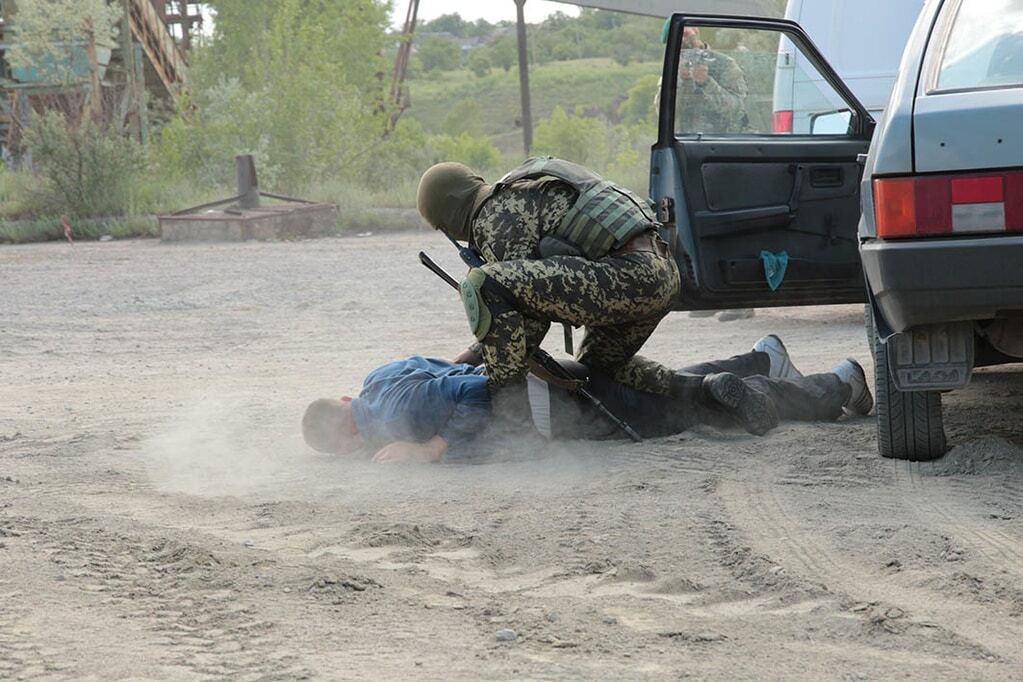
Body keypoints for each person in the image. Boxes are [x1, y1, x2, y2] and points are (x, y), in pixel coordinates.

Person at [301, 335, 873, 464]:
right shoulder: (378, 380)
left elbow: (473, 389)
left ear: (350, 437)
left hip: (565, 404)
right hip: (558, 378)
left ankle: (840, 383)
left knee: (693, 407)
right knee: (668, 386)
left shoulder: (386, 419)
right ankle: (761, 360)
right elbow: (455, 366)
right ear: (346, 398)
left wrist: (429, 449)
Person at [416, 156, 684, 429]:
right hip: (661, 275)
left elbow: (520, 313)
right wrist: (477, 351)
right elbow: (525, 295)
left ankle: (513, 429)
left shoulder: (494, 218)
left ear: (447, 216)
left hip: (628, 277)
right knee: (597, 369)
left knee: (483, 284)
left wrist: (485, 359)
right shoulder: (519, 191)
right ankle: (697, 390)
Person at [677, 26, 755, 323]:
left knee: (734, 227)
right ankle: (709, 295)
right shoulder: (674, 67)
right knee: (695, 231)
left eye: (688, 38)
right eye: (680, 42)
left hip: (724, 155)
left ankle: (741, 299)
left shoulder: (724, 65)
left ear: (697, 35)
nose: (686, 46)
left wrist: (706, 81)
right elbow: (663, 109)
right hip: (688, 155)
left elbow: (735, 110)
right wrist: (681, 82)